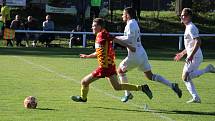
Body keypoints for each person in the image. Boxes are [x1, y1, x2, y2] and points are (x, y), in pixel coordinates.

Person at [71, 18, 153, 102]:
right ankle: (142, 88)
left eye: (94, 26)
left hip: (104, 67)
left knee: (84, 82)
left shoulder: (103, 34)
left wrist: (129, 46)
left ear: (99, 26)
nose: (92, 27)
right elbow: (99, 52)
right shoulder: (99, 35)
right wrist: (87, 56)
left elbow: (116, 39)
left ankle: (83, 98)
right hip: (109, 66)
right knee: (117, 87)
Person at [114, 7, 182, 102]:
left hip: (135, 55)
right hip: (141, 53)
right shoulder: (134, 23)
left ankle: (127, 94)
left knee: (120, 71)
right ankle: (172, 85)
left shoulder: (130, 24)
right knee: (150, 76)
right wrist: (117, 38)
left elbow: (129, 40)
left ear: (128, 15)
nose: (122, 16)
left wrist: (115, 39)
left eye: (123, 14)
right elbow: (130, 38)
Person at [174, 8, 215, 103]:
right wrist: (182, 53)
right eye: (181, 15)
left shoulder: (191, 27)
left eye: (184, 15)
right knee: (185, 78)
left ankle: (207, 69)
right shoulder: (188, 27)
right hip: (192, 56)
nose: (182, 16)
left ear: (189, 17)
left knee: (185, 77)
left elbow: (198, 41)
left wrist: (191, 55)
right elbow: (190, 45)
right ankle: (195, 97)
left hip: (195, 56)